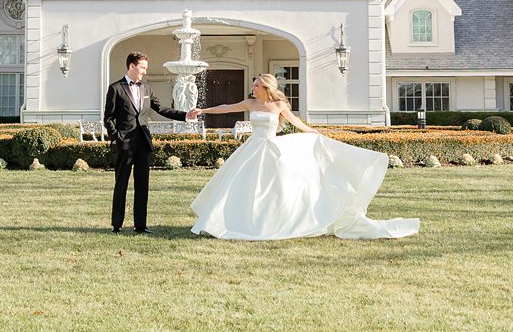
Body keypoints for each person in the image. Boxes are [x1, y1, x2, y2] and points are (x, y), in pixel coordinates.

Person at [184, 74, 419, 241]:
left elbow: (295, 121)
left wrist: (313, 132)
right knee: (241, 185)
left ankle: (271, 222)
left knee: (274, 189)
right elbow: (227, 107)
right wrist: (202, 111)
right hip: (251, 149)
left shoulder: (278, 104)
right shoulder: (250, 102)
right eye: (253, 85)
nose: (253, 88)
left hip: (271, 148)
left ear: (266, 87)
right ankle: (231, 221)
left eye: (256, 85)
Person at [103, 52, 189, 234]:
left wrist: (185, 115)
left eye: (145, 68)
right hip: (124, 144)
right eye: (142, 68)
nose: (144, 72)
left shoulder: (146, 88)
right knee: (121, 184)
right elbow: (108, 118)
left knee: (142, 186)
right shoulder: (115, 88)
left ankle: (140, 225)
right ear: (131, 67)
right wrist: (116, 137)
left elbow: (160, 108)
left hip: (143, 143)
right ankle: (116, 225)